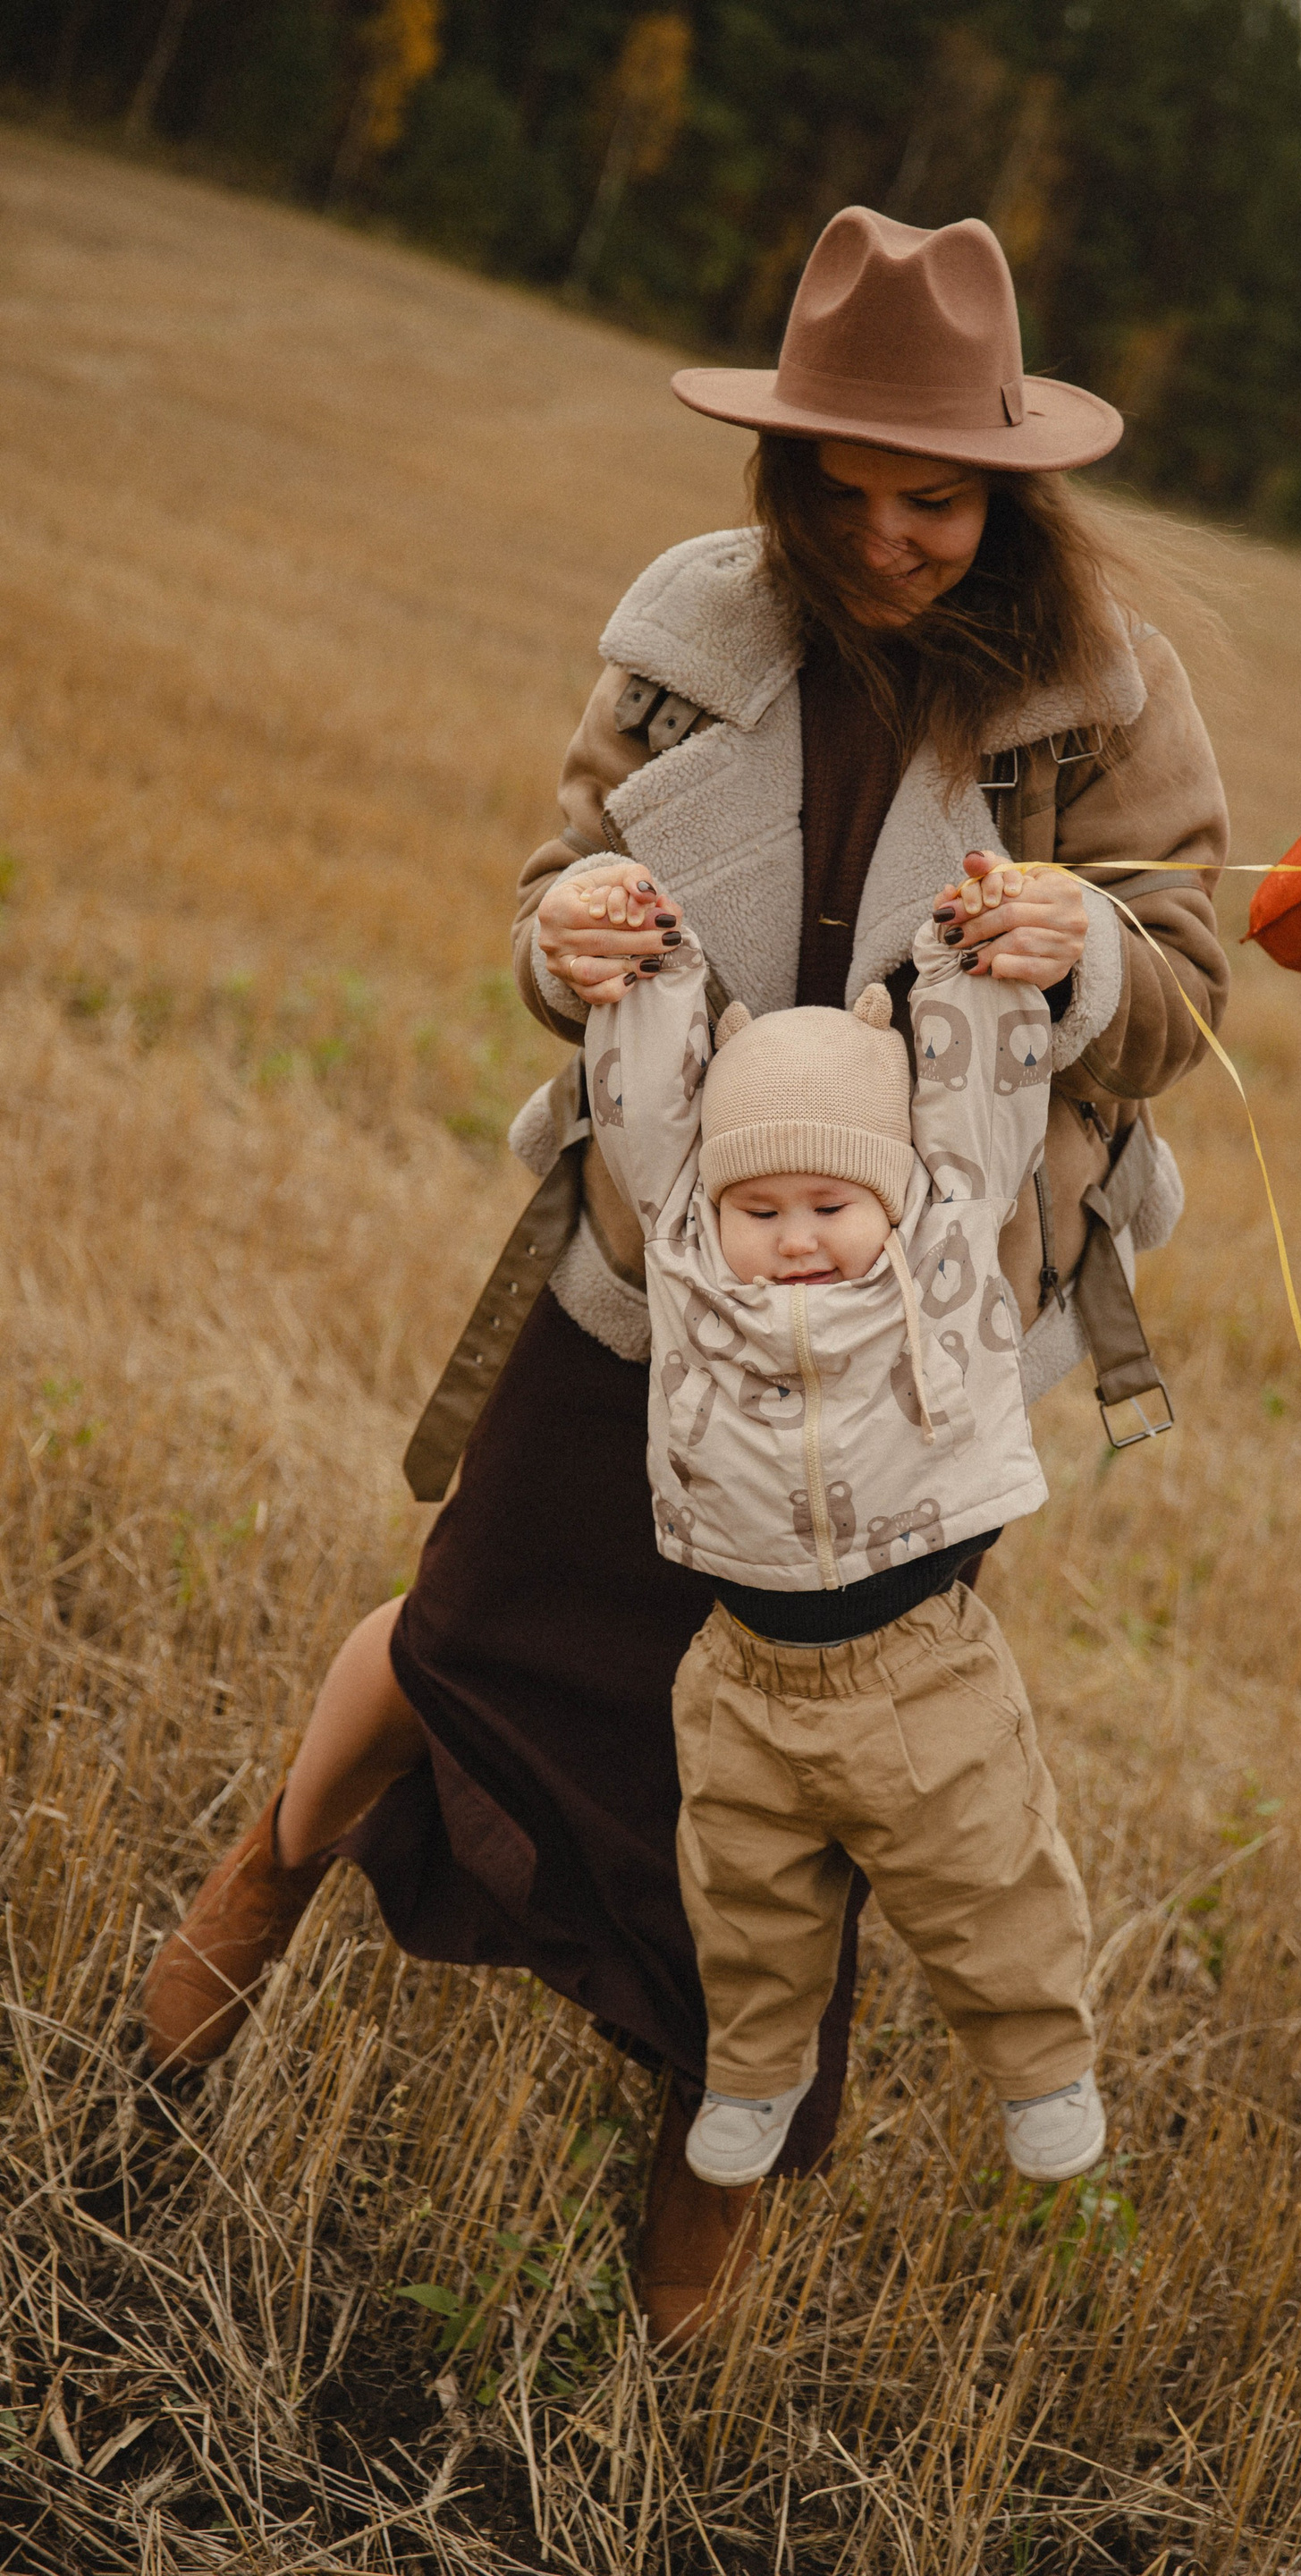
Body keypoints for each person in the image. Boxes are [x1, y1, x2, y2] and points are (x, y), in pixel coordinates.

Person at [140, 206, 1230, 2346]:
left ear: (1009, 495)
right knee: (468, 1627)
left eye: (938, 502)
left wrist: (1089, 948)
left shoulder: (1105, 696)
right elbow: (560, 890)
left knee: (824, 1779)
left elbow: (1184, 990)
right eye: (850, 490)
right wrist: (559, 943)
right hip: (644, 1273)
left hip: (908, 1352)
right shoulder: (687, 638)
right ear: (788, 469)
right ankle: (239, 1921)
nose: (892, 540)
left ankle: (679, 2302)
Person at [580, 880, 1105, 2191]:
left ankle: (1043, 2064)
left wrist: (975, 964)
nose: (797, 1239)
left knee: (987, 1878)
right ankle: (757, 2073)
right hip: (742, 1674)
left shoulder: (944, 1237)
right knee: (745, 1904)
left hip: (920, 1667)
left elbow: (985, 1104)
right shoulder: (691, 1260)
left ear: (893, 1192)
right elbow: (644, 1115)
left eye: (830, 1204)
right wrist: (649, 967)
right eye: (761, 1212)